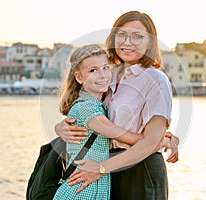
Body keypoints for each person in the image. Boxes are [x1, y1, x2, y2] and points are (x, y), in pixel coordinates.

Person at [55, 11, 179, 199]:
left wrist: (101, 168)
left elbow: (151, 141)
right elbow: (89, 117)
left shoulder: (156, 80)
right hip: (106, 173)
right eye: (122, 35)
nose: (127, 42)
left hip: (140, 169)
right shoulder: (107, 74)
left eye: (138, 37)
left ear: (150, 43)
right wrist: (61, 128)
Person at [53, 43, 161, 199]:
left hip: (92, 189)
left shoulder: (100, 105)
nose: (103, 75)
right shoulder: (88, 108)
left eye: (105, 67)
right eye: (93, 70)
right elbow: (126, 137)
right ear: (79, 77)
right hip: (79, 193)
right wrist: (160, 139)